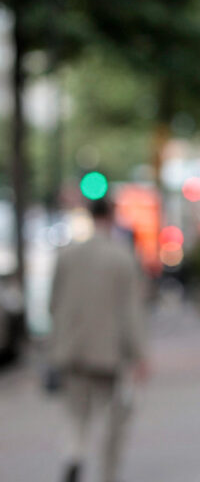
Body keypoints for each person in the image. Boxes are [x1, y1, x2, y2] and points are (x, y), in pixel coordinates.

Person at [50, 198, 148, 482]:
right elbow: (131, 311)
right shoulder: (122, 258)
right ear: (112, 216)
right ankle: (107, 474)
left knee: (75, 414)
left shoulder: (67, 255)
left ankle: (74, 455)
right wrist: (139, 354)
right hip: (107, 352)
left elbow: (53, 304)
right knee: (111, 419)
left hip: (71, 350)